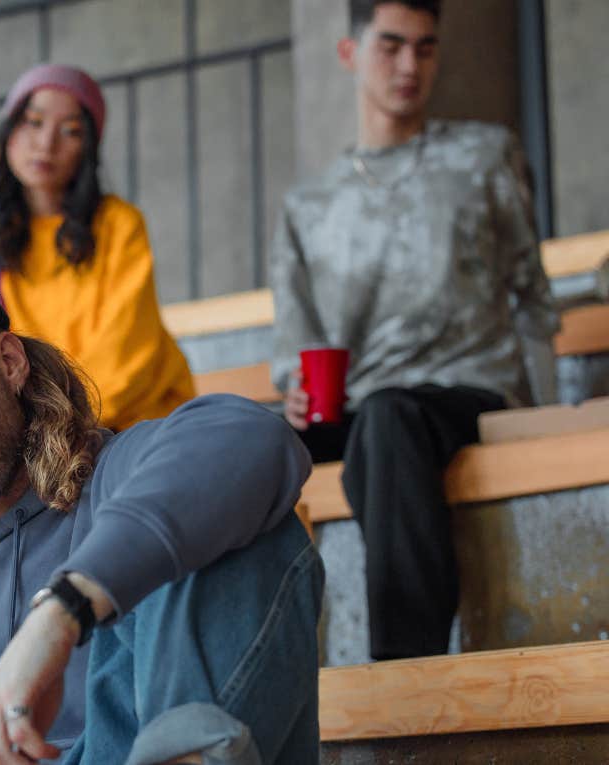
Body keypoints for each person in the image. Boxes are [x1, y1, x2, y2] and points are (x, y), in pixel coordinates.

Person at [0, 269, 323, 764]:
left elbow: (253, 438)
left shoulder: (115, 479)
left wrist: (58, 620)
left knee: (231, 512)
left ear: (10, 361)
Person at [270, 0, 559, 660]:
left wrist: (549, 416)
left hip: (467, 391)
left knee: (390, 419)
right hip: (358, 411)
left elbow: (533, 298)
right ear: (350, 53)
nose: (409, 65)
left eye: (426, 48)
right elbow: (297, 350)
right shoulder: (307, 204)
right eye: (391, 46)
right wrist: (292, 393)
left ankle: (406, 676)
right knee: (239, 444)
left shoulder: (485, 156)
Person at [0, 64, 194, 431]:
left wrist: (57, 433)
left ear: (87, 149)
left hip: (137, 426)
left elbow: (124, 357)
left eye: (71, 131)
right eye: (33, 122)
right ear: (8, 133)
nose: (47, 144)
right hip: (34, 443)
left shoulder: (118, 225)